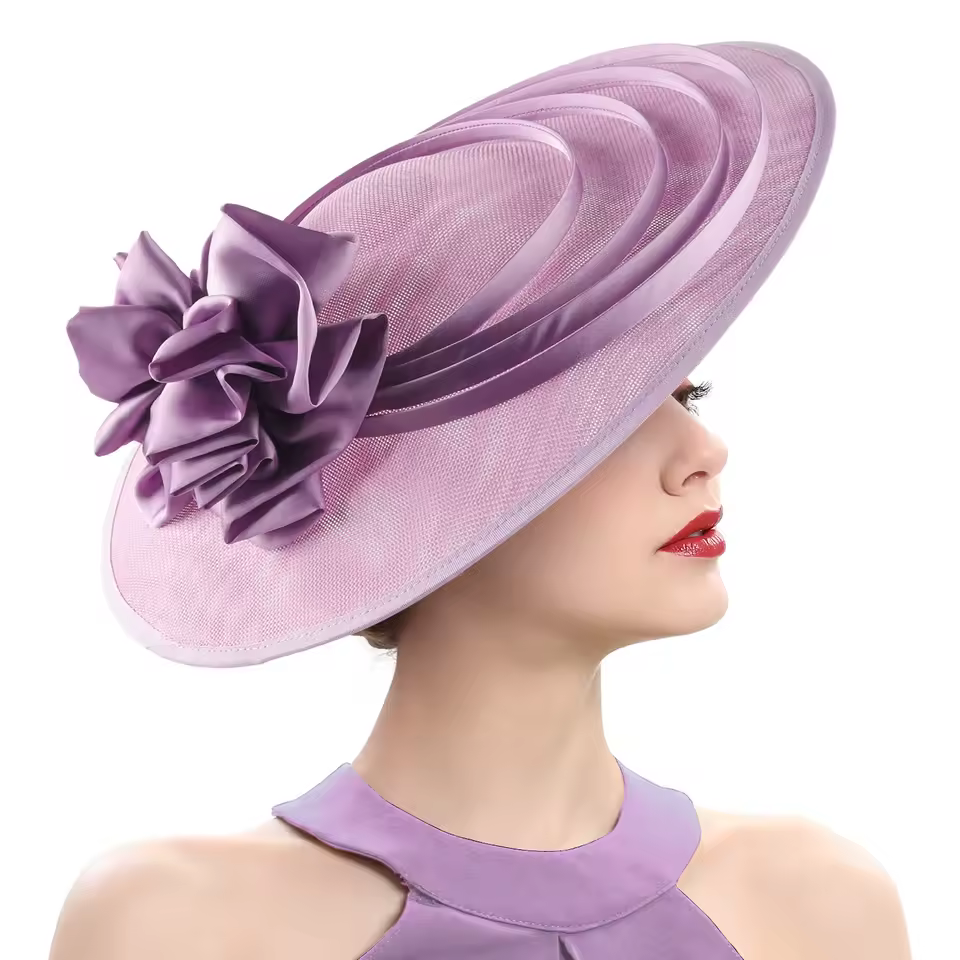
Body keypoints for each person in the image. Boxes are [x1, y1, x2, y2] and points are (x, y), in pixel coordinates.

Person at [48, 39, 912, 960]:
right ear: (422, 492)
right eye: (614, 412)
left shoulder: (820, 907)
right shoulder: (177, 924)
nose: (704, 453)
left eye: (686, 395)